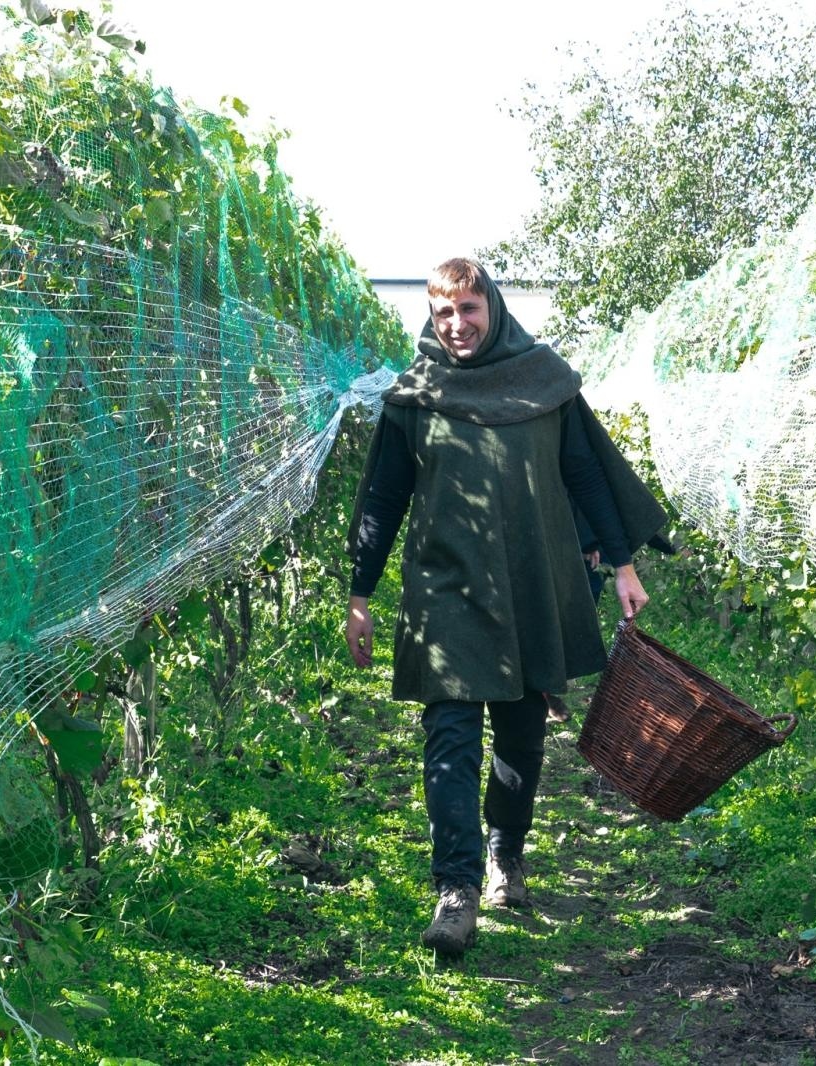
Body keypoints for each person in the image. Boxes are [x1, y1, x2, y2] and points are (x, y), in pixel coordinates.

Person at [345, 257, 666, 955]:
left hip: (529, 587)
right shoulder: (415, 397)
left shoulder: (544, 384)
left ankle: (504, 854)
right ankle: (455, 889)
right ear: (431, 321)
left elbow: (584, 473)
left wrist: (622, 564)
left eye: (468, 310)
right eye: (443, 315)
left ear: (491, 308)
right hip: (445, 592)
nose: (457, 326)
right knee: (450, 739)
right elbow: (382, 499)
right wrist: (360, 594)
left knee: (519, 734)